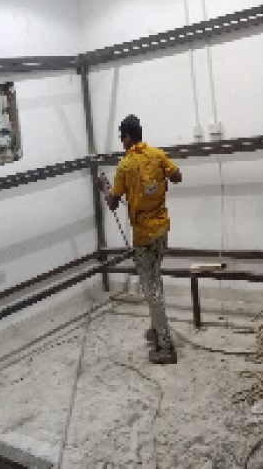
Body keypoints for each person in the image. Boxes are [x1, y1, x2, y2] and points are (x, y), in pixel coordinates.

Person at [101, 114, 182, 364]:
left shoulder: (125, 166)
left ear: (127, 137)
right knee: (155, 279)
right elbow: (177, 176)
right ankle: (158, 329)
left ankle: (166, 347)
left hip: (144, 236)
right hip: (162, 230)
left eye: (122, 138)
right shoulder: (157, 155)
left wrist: (104, 188)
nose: (122, 142)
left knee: (151, 288)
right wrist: (161, 182)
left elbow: (113, 203)